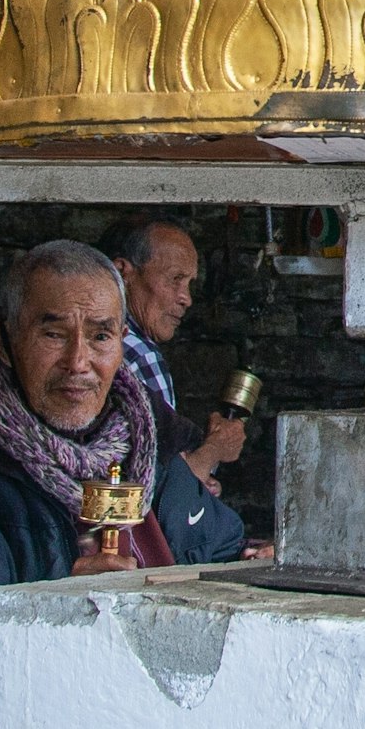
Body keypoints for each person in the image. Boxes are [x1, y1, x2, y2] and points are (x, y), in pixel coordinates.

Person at [0, 236, 244, 688]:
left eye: (100, 336)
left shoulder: (151, 445)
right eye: (53, 334)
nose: (78, 362)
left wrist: (250, 564)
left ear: (122, 342)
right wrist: (62, 600)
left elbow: (219, 542)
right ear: (6, 342)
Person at [116, 221, 252, 567]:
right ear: (123, 273)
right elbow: (152, 493)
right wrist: (212, 452)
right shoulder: (135, 353)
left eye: (189, 284)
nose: (186, 298)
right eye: (175, 279)